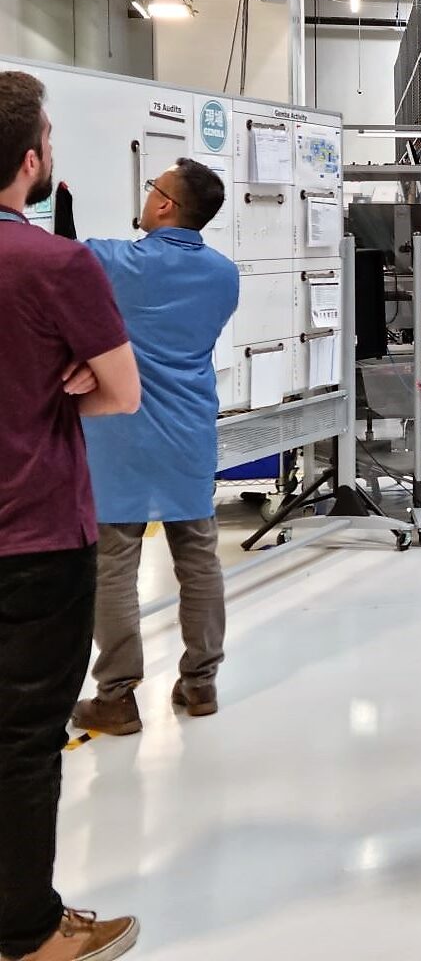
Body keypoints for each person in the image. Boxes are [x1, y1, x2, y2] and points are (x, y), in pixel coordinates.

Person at [0, 71, 142, 961]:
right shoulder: (56, 265)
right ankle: (28, 930)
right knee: (23, 741)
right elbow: (121, 393)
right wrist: (63, 389)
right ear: (30, 160)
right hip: (35, 535)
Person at [70, 160, 241, 736]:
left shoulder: (115, 260)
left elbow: (58, 259)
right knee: (198, 557)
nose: (147, 197)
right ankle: (201, 682)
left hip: (119, 432)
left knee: (114, 563)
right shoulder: (224, 274)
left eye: (153, 189)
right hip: (190, 430)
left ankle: (116, 696)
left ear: (165, 204)